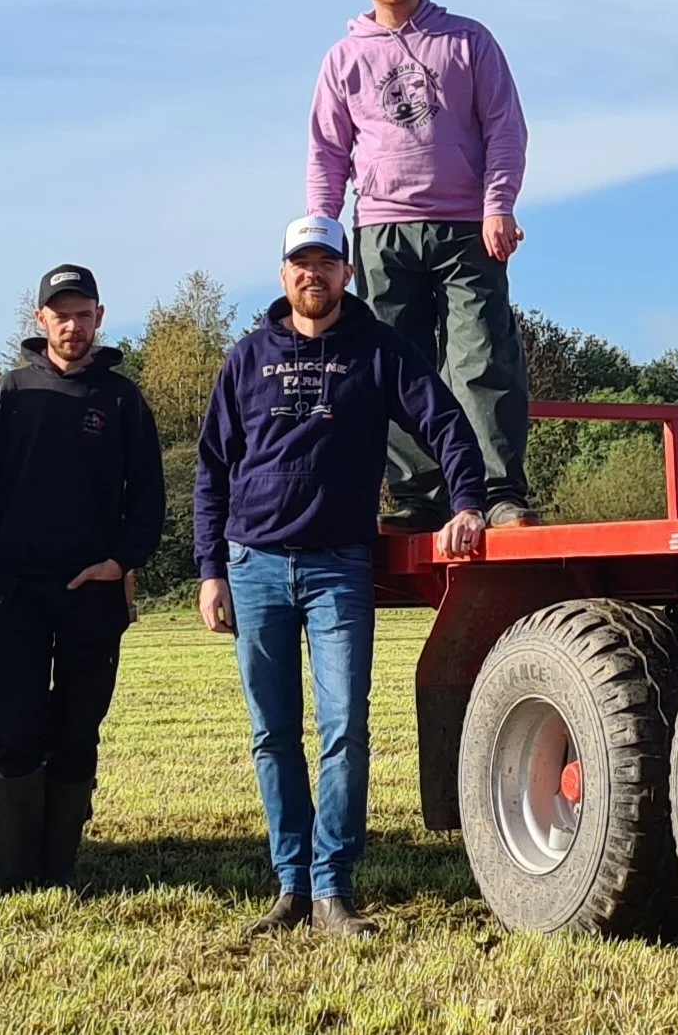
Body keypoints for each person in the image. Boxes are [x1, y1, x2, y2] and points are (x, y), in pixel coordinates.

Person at [195, 215, 491, 938]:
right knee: (271, 734)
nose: (313, 274)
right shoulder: (246, 358)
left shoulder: (377, 350)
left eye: (327, 261)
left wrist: (467, 501)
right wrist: (210, 570)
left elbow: (446, 422)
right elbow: (210, 471)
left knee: (343, 729)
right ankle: (290, 885)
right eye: (302, 262)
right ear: (284, 273)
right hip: (254, 563)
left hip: (337, 569)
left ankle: (333, 889)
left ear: (346, 274)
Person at [0, 263, 165, 889]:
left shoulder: (122, 400)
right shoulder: (9, 392)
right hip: (16, 591)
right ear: (39, 320)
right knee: (15, 732)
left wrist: (118, 563)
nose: (72, 325)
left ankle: (59, 871)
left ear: (99, 317)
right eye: (59, 313)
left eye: (82, 313)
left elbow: (148, 501)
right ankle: (16, 877)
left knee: (76, 731)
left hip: (92, 593)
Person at [307, 0, 536, 533]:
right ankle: (417, 496)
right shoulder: (345, 57)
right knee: (395, 366)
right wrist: (325, 238)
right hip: (381, 231)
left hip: (468, 225)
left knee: (482, 357)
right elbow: (328, 152)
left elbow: (505, 129)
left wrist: (499, 204)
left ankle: (497, 492)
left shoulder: (467, 40)